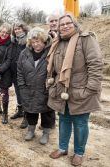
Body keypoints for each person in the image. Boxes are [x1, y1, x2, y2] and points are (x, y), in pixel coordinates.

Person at [47, 13, 103, 166]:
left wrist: (90, 88)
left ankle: (79, 152)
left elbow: (96, 64)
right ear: (58, 27)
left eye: (68, 23)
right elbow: (52, 67)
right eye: (61, 24)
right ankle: (62, 148)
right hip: (61, 90)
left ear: (74, 23)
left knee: (80, 122)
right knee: (64, 120)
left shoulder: (86, 39)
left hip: (81, 90)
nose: (64, 26)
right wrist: (50, 82)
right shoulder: (57, 42)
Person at [17, 27, 53, 145]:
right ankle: (31, 130)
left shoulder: (51, 53)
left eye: (38, 41)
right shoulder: (24, 53)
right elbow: (20, 71)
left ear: (44, 40)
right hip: (29, 88)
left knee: (47, 112)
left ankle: (46, 133)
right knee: (30, 110)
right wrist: (22, 86)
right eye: (33, 42)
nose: (35, 44)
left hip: (45, 89)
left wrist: (51, 86)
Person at [7, 22, 29, 129]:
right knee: (17, 93)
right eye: (15, 29)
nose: (17, 31)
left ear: (24, 29)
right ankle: (20, 111)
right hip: (14, 71)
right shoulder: (13, 41)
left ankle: (26, 116)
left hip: (24, 73)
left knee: (25, 94)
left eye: (19, 28)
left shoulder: (28, 41)